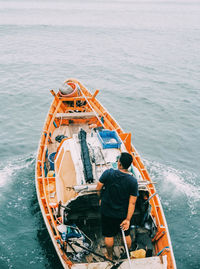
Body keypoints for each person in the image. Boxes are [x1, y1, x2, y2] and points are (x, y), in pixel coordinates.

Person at [96, 152, 138, 260]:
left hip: (107, 212)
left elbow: (98, 188)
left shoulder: (108, 173)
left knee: (109, 235)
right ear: (129, 166)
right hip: (123, 214)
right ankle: (127, 254)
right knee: (126, 234)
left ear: (119, 163)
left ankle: (109, 256)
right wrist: (128, 219)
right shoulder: (133, 181)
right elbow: (132, 202)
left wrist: (100, 198)